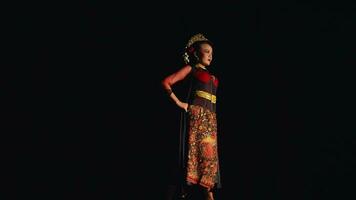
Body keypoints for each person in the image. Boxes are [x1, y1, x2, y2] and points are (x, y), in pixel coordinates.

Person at [161, 33, 221, 200]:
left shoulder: (212, 75)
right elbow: (167, 82)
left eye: (212, 52)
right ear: (197, 53)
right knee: (186, 165)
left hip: (210, 123)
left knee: (208, 170)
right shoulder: (192, 69)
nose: (210, 55)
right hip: (196, 122)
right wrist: (180, 103)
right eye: (207, 51)